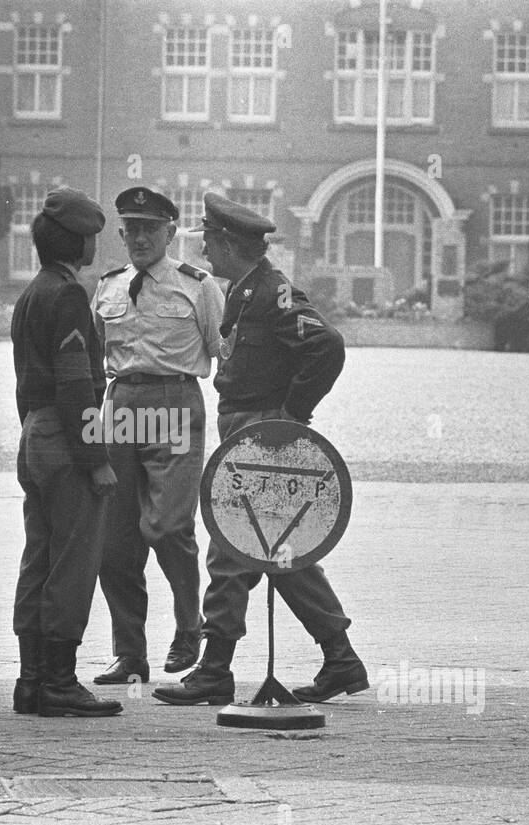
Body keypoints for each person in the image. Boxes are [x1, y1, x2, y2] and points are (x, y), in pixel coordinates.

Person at [153, 192, 369, 707]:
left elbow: (327, 345)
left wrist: (291, 414)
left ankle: (214, 669)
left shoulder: (271, 293)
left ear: (228, 243)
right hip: (246, 432)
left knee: (232, 546)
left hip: (260, 434)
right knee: (278, 550)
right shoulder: (246, 291)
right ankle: (341, 659)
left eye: (210, 236)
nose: (204, 244)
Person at [90, 186, 226, 685]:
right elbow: (91, 361)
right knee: (115, 540)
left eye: (151, 228)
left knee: (167, 526)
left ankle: (190, 627)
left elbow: (221, 351)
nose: (140, 237)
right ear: (121, 233)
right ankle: (129, 654)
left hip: (175, 403)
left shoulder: (198, 285)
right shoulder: (107, 286)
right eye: (132, 228)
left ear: (170, 232)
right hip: (120, 405)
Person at [10, 186, 122, 717]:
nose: (95, 245)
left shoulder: (32, 293)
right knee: (73, 561)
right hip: (65, 436)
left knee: (38, 558)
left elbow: (25, 384)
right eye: (92, 236)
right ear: (76, 240)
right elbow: (77, 386)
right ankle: (59, 682)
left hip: (33, 434)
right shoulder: (71, 295)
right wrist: (94, 458)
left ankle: (31, 681)